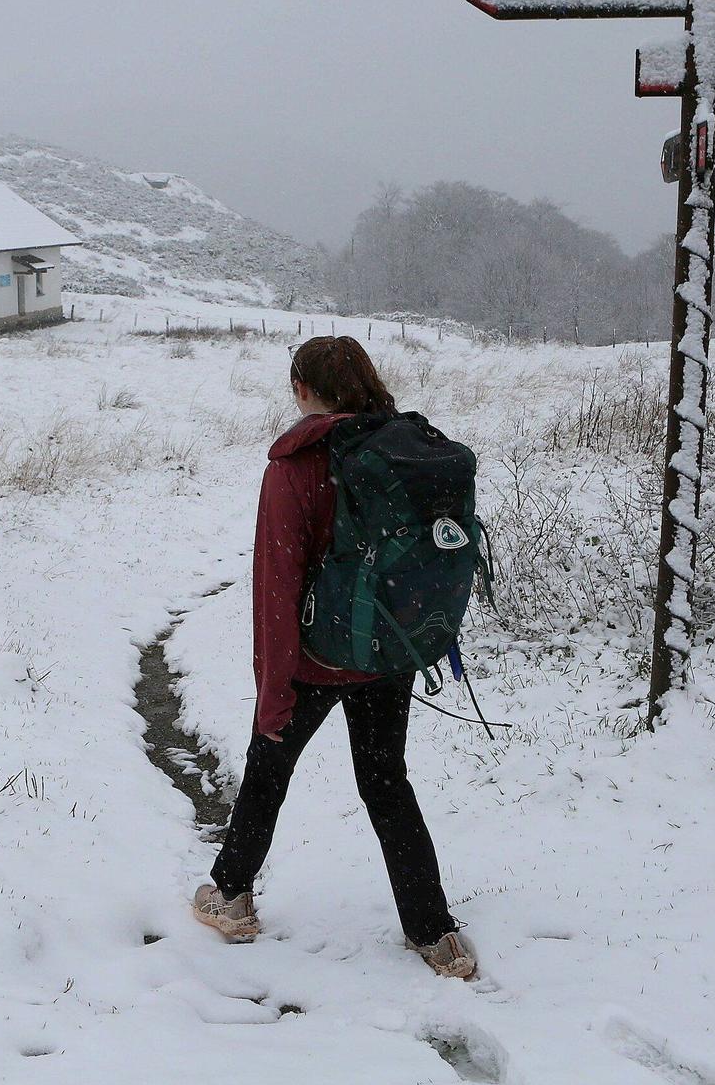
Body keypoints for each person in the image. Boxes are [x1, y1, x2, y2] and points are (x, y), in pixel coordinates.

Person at [190, 336, 476, 980]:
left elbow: (276, 585)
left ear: (301, 390)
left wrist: (274, 686)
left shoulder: (295, 467)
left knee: (268, 768)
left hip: (319, 655)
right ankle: (436, 934)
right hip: (385, 650)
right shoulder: (404, 451)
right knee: (385, 782)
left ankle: (231, 897)